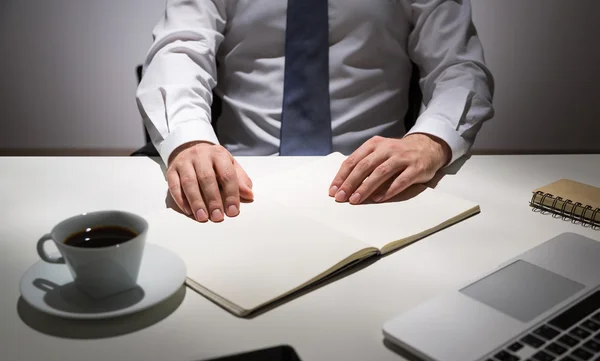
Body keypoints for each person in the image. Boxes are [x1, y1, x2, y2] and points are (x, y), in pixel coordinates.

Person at [137, 0, 494, 223]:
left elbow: (458, 67)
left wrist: (430, 142)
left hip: (379, 187)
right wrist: (189, 141)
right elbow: (180, 49)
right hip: (239, 184)